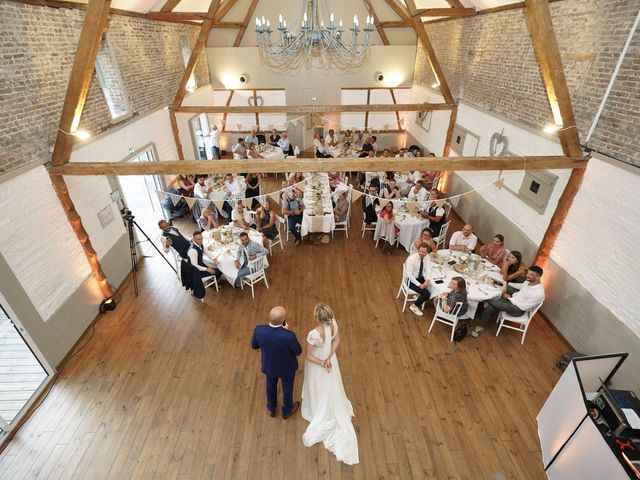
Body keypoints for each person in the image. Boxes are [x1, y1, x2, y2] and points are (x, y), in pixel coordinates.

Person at [301, 303, 359, 465]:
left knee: (317, 386)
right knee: (330, 386)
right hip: (330, 359)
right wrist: (328, 359)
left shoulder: (314, 334)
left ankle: (316, 407)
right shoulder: (334, 323)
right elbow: (336, 341)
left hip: (318, 363)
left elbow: (308, 356)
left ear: (317, 318)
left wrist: (321, 362)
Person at [251, 306, 303, 419]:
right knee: (287, 388)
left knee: (270, 386)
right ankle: (287, 410)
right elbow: (298, 351)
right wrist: (287, 331)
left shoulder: (259, 330)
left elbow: (254, 346)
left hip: (269, 366)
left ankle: (271, 408)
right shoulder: (289, 336)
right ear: (283, 320)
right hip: (287, 368)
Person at [472, 266, 545, 337]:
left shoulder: (538, 293)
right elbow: (521, 286)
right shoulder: (528, 281)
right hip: (513, 301)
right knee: (490, 307)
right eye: (528, 273)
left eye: (531, 275)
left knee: (495, 301)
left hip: (518, 310)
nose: (527, 275)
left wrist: (510, 298)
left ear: (538, 277)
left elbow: (523, 307)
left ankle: (481, 298)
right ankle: (480, 326)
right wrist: (506, 283)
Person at [404, 243, 432, 316]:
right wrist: (420, 285)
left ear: (427, 252)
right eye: (420, 251)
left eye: (424, 252)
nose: (422, 253)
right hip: (410, 280)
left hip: (420, 277)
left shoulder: (427, 257)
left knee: (431, 284)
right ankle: (414, 306)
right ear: (418, 250)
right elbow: (409, 276)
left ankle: (420, 296)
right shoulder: (411, 259)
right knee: (427, 294)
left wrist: (428, 279)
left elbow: (428, 268)